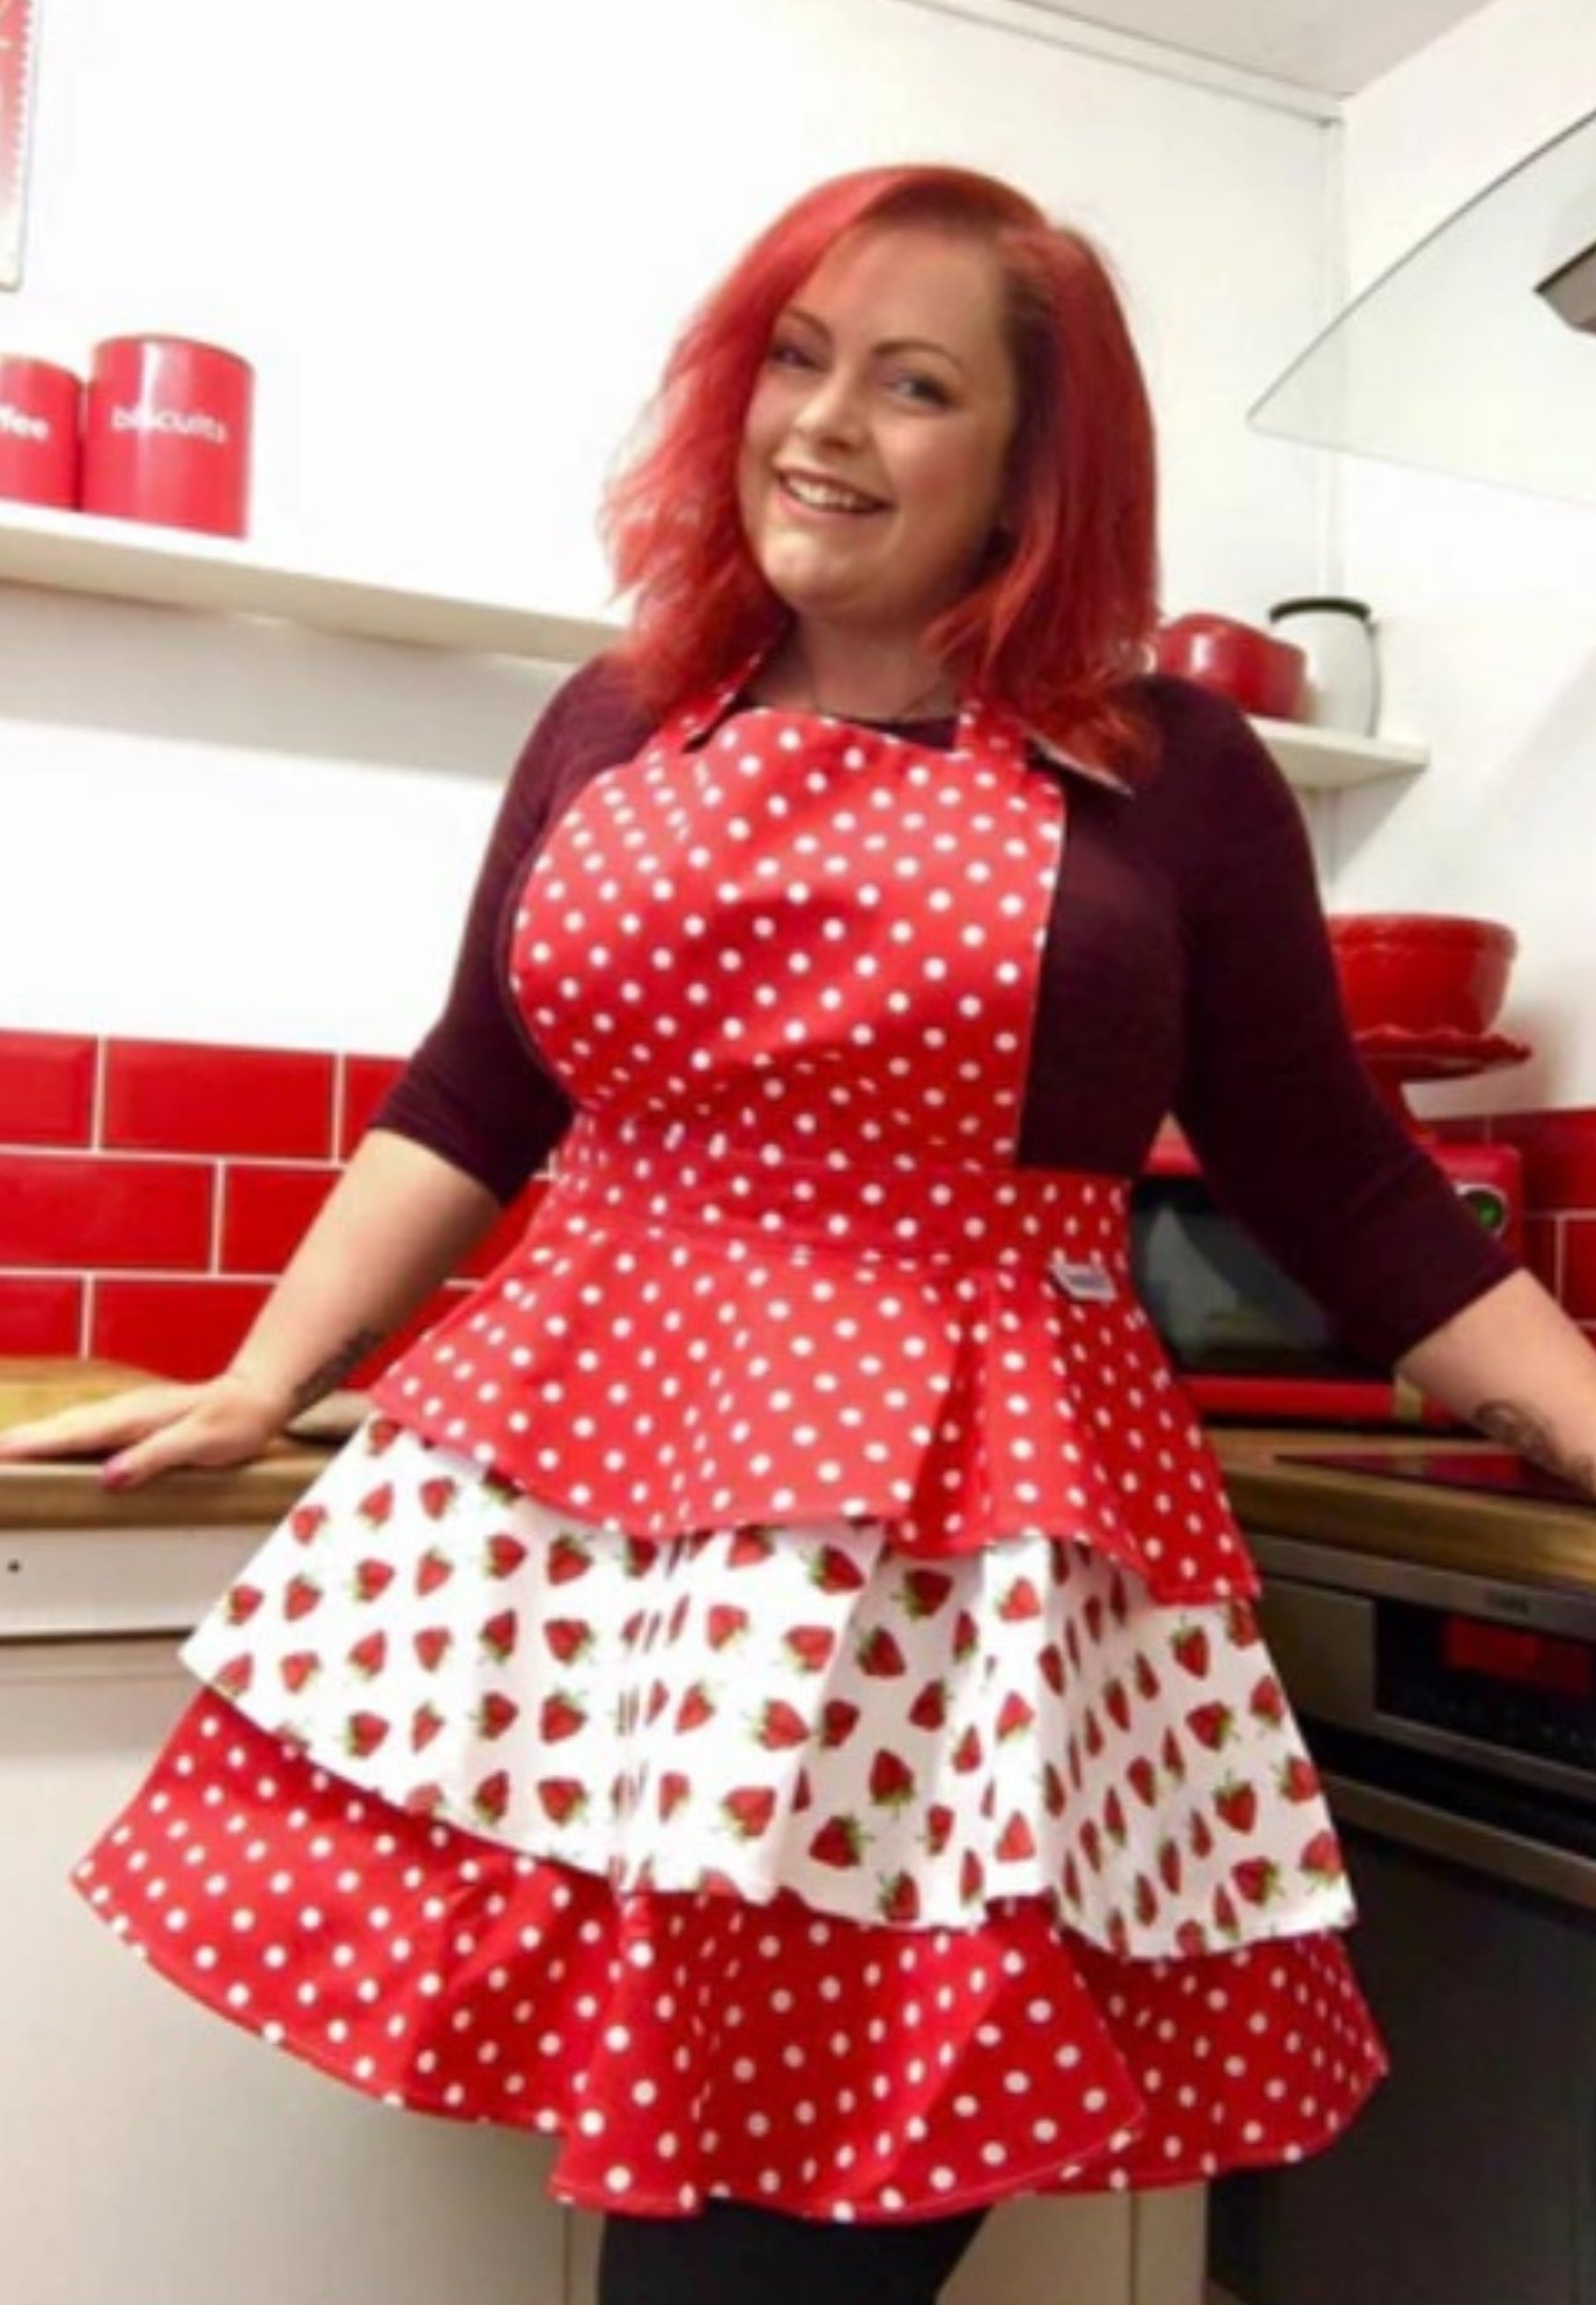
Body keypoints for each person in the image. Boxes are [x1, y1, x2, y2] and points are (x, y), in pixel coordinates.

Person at [5, 161, 1596, 2305]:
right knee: (678, 2219)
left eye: (916, 385)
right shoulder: (615, 714)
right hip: (594, 1537)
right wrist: (263, 1376)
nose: (825, 424)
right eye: (798, 357)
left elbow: (1338, 1176)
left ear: (1035, 464)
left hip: (940, 1564)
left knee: (775, 2250)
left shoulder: (1169, 767)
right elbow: (475, 1089)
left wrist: (1580, 1413)